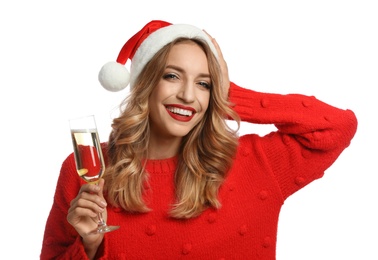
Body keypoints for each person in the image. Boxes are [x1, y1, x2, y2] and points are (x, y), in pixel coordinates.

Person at [40, 20, 358, 259]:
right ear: (144, 84)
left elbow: (338, 126)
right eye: (172, 76)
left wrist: (229, 96)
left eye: (203, 83)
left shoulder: (256, 163)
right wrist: (91, 246)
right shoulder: (87, 169)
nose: (188, 95)